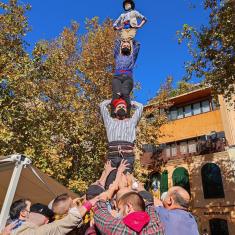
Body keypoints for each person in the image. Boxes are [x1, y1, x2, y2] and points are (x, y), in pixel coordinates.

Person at [99, 98, 143, 184]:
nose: (122, 108)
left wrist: (128, 101)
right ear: (114, 111)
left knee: (125, 181)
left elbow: (140, 107)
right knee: (109, 180)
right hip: (112, 156)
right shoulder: (109, 121)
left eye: (124, 107)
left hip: (127, 156)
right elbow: (102, 105)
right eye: (119, 106)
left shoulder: (132, 122)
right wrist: (113, 99)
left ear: (127, 111)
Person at [94, 189, 164, 235]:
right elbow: (150, 208)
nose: (118, 213)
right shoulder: (156, 227)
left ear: (128, 207)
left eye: (119, 209)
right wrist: (137, 200)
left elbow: (100, 212)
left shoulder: (118, 229)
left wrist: (102, 197)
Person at [11, 198, 98, 235]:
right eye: (30, 209)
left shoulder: (12, 230)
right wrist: (89, 203)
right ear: (23, 213)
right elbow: (64, 223)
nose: (48, 221)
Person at [112, 39, 140, 116]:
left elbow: (137, 46)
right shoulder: (117, 55)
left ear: (130, 48)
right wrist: (122, 37)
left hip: (128, 78)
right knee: (116, 94)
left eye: (128, 46)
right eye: (124, 45)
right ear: (121, 47)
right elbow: (117, 44)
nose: (126, 47)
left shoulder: (132, 57)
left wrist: (131, 38)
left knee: (125, 93)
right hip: (117, 77)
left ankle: (127, 114)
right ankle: (113, 114)